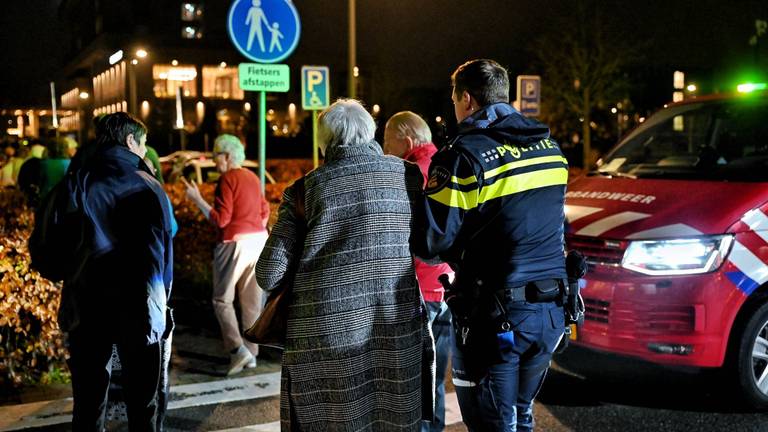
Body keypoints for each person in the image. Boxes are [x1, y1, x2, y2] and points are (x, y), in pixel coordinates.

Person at [256, 99, 432, 431]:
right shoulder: (407, 178)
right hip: (395, 327)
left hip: (325, 336)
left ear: (324, 142)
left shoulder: (305, 190)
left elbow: (269, 273)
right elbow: (428, 246)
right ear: (371, 133)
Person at [419, 59, 569, 431]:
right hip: (551, 311)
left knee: (493, 423)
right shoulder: (548, 146)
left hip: (495, 317)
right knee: (520, 415)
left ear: (467, 100)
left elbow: (432, 241)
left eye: (455, 101)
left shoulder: (463, 157)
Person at [58, 112, 175, 431]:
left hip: (87, 301)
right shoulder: (149, 184)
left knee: (88, 401)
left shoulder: (77, 180)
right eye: (144, 143)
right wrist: (162, 298)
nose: (144, 150)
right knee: (143, 401)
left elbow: (59, 244)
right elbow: (166, 240)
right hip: (138, 301)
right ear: (130, 140)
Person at [383, 111, 454, 432]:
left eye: (387, 142)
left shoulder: (409, 174)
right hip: (447, 284)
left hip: (419, 287)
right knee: (434, 376)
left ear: (408, 141)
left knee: (413, 380)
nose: (384, 150)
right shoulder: (448, 165)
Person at [182, 134, 270, 375]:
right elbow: (265, 211)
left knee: (222, 300)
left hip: (233, 244)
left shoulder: (227, 179)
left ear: (228, 156)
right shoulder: (252, 177)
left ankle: (236, 350)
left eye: (215, 156)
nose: (214, 161)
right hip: (259, 241)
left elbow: (222, 220)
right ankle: (251, 354)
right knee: (252, 302)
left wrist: (197, 199)